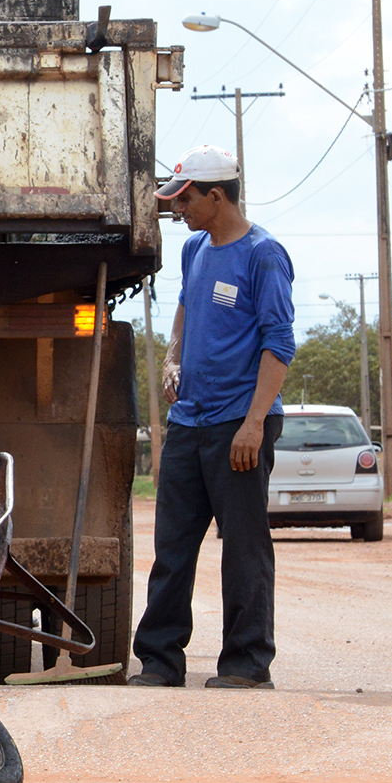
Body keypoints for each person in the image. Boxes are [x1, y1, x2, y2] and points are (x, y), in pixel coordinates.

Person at [130, 145, 294, 690]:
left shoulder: (263, 255)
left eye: (185, 199)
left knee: (244, 548)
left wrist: (253, 424)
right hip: (190, 422)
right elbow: (183, 306)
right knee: (172, 545)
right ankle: (159, 660)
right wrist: (173, 356)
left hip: (237, 425)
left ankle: (247, 663)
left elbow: (279, 345)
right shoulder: (195, 248)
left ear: (216, 196)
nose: (178, 210)